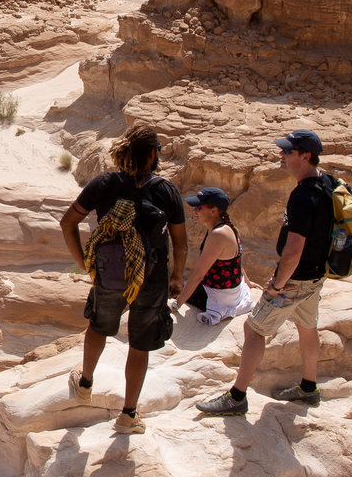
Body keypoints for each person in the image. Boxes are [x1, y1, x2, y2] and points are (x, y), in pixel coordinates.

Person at [196, 129, 329, 418]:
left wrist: (277, 284)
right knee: (308, 327)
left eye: (287, 152)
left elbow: (293, 251)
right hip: (316, 274)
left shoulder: (304, 197)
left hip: (295, 279)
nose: (280, 155)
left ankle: (236, 397)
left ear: (305, 156)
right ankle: (309, 388)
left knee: (254, 329)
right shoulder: (326, 182)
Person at [60, 125, 185, 434]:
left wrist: (86, 264)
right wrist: (177, 276)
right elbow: (181, 243)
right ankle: (128, 414)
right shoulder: (165, 191)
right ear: (153, 153)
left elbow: (68, 223)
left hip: (110, 271)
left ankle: (85, 382)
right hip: (151, 278)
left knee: (99, 327)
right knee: (139, 345)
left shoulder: (104, 184)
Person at [173, 186, 259, 327]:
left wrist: (177, 304)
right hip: (232, 291)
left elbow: (198, 276)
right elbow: (237, 261)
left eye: (199, 207)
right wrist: (248, 283)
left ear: (214, 211)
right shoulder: (226, 227)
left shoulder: (218, 235)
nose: (194, 211)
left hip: (220, 299)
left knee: (177, 288)